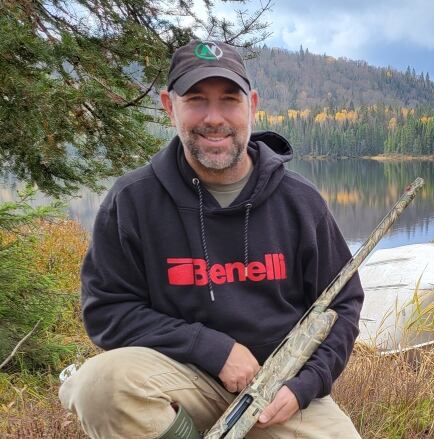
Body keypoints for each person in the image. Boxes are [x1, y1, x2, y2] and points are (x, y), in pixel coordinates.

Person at [59, 40, 364, 439]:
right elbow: (108, 311)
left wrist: (302, 386)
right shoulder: (133, 200)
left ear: (252, 104)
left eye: (230, 100)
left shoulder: (299, 201)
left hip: (277, 390)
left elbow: (343, 303)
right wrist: (213, 349)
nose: (214, 118)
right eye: (197, 100)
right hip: (179, 380)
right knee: (99, 385)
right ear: (170, 106)